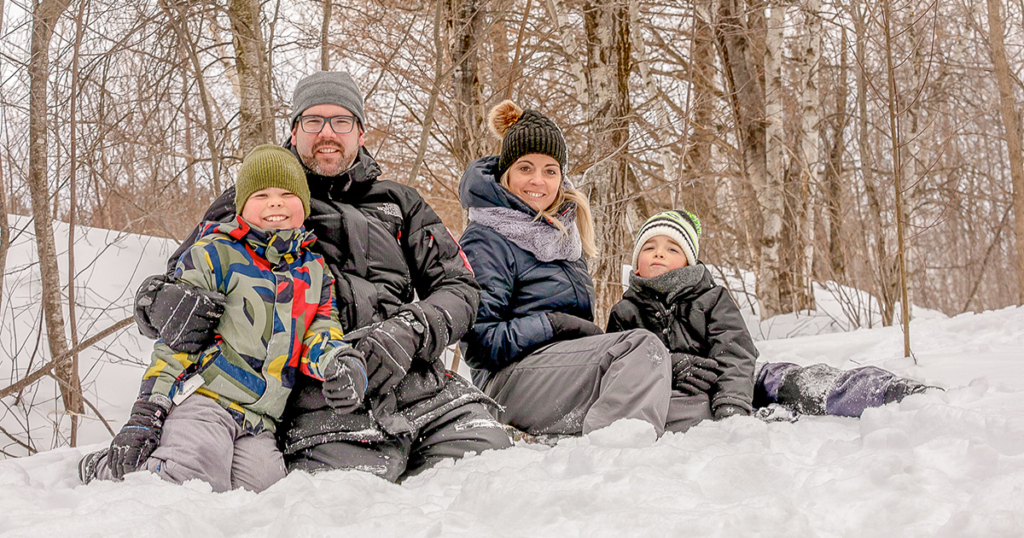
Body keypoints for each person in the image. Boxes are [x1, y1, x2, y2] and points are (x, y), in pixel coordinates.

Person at [131, 71, 510, 482]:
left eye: (341, 121)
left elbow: (460, 287)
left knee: (489, 475)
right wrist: (153, 300)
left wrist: (411, 330)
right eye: (313, 121)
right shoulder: (259, 200)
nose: (327, 133)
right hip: (322, 401)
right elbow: (183, 280)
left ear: (361, 133)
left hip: (423, 388)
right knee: (349, 504)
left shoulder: (401, 203)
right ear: (294, 132)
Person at [79, 145, 369, 492]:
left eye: (286, 194)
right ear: (242, 206)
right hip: (204, 398)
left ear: (304, 206)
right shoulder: (215, 255)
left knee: (265, 490)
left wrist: (337, 361)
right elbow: (177, 342)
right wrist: (148, 409)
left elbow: (320, 331)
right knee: (196, 474)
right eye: (261, 194)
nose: (275, 202)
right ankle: (110, 469)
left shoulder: (315, 271)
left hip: (260, 418)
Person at [458, 100, 682, 438]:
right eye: (525, 168)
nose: (538, 180)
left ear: (562, 179)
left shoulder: (563, 237)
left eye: (550, 171)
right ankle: (612, 460)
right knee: (642, 350)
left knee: (678, 394)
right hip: (508, 381)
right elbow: (479, 345)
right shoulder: (487, 237)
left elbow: (580, 338)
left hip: (559, 371)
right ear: (506, 172)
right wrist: (550, 325)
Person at [608, 209, 929, 424]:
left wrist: (732, 405)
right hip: (678, 391)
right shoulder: (625, 312)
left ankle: (881, 391)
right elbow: (616, 368)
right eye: (650, 247)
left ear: (690, 263)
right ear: (637, 263)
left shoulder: (711, 299)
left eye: (672, 248)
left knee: (787, 380)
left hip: (732, 377)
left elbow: (735, 352)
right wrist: (668, 368)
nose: (660, 253)